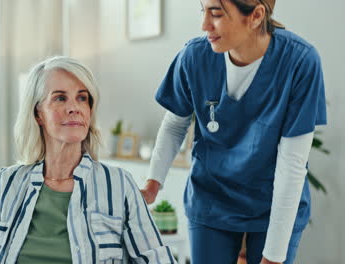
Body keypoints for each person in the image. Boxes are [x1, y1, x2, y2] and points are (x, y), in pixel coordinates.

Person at [0, 56, 176, 264]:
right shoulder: (6, 183)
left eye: (82, 98)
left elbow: (155, 258)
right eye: (60, 98)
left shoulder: (119, 185)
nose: (75, 108)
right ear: (38, 113)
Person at [140, 0, 327, 264]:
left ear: (256, 15)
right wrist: (152, 184)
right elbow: (175, 124)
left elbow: (293, 163)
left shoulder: (299, 61)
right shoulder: (194, 57)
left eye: (215, 13)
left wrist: (273, 257)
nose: (204, 25)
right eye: (202, 11)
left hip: (273, 203)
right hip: (212, 199)